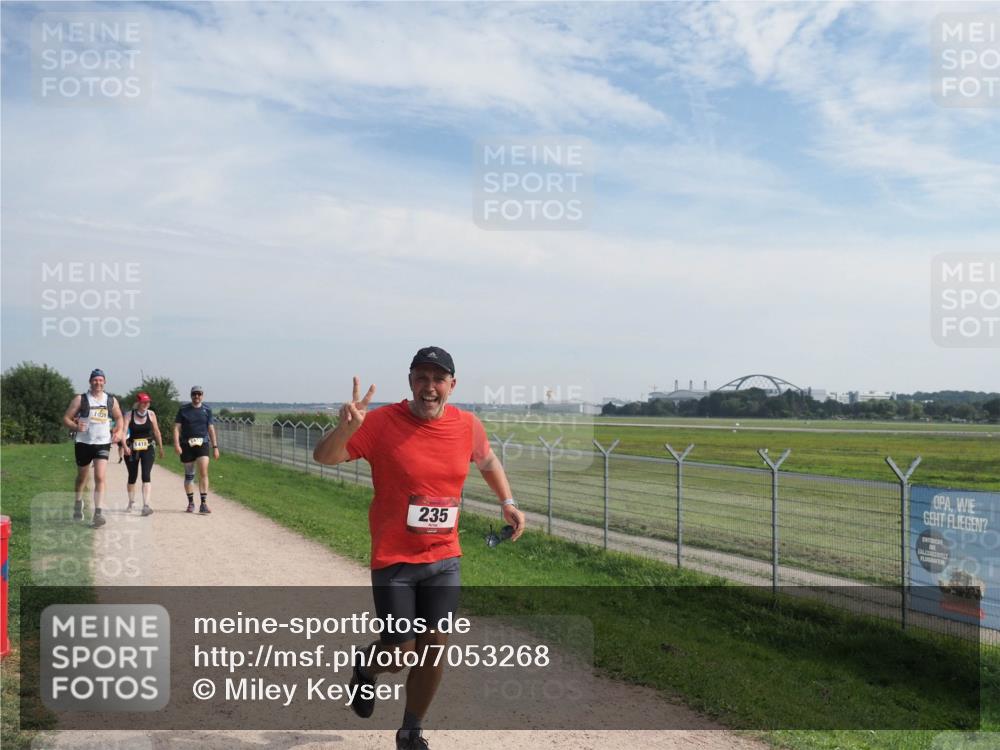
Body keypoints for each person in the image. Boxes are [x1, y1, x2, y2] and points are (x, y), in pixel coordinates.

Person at [313, 346, 525, 750]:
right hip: (395, 560)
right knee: (399, 655)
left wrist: (508, 502)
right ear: (410, 381)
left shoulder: (468, 425)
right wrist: (345, 428)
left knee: (433, 650)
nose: (430, 387)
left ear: (452, 385)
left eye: (438, 379)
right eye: (421, 378)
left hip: (445, 558)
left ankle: (411, 732)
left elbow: (487, 461)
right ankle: (366, 668)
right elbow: (324, 457)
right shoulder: (380, 423)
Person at [61, 368, 124, 528]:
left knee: (100, 477)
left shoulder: (111, 400)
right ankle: (78, 502)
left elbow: (119, 417)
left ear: (104, 382)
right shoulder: (80, 399)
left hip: (102, 442)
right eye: (95, 380)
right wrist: (76, 427)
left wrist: (119, 431)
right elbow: (66, 418)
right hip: (83, 443)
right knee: (82, 477)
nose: (98, 382)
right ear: (90, 381)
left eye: (100, 380)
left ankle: (98, 513)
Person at [173, 385, 220, 514]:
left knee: (203, 472)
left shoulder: (207, 410)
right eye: (194, 394)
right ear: (191, 395)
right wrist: (176, 444)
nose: (197, 396)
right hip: (186, 444)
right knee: (189, 474)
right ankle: (191, 503)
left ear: (202, 396)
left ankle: (203, 503)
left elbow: (211, 428)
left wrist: (215, 447)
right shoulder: (183, 409)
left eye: (199, 394)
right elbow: (177, 428)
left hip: (202, 443)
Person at [121, 392, 167, 516]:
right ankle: (131, 502)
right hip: (132, 448)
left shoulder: (151, 414)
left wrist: (161, 447)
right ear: (138, 403)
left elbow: (157, 432)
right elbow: (123, 432)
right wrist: (125, 446)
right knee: (132, 476)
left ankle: (146, 505)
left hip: (148, 447)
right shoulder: (129, 415)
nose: (146, 404)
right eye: (143, 402)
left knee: (146, 475)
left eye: (148, 402)